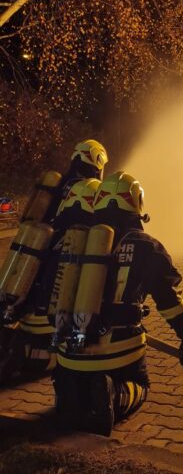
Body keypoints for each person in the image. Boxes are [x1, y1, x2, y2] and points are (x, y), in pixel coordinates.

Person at [54, 171, 183, 436]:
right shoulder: (148, 247)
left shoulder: (74, 240)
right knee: (141, 385)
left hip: (68, 349)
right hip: (117, 348)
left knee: (74, 380)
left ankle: (70, 391)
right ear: (136, 204)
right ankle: (114, 393)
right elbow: (168, 302)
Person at [0, 140, 107, 384]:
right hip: (67, 256)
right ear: (98, 162)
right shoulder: (89, 188)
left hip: (43, 247)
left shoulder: (58, 184)